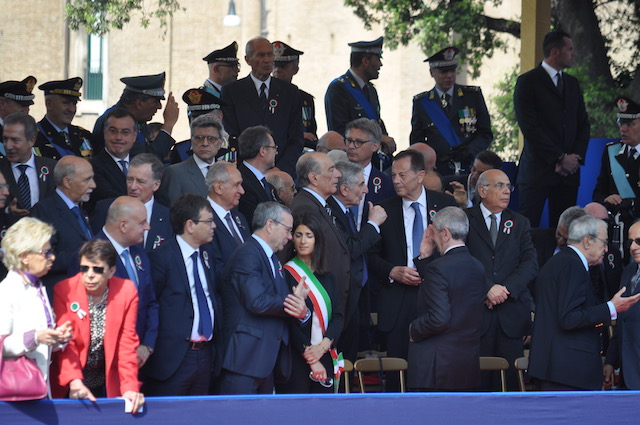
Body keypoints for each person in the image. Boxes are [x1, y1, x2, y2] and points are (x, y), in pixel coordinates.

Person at [369, 150, 457, 384]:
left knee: (435, 373)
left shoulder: (445, 205)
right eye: (393, 175)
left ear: (420, 176)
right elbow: (370, 255)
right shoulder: (384, 209)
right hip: (397, 300)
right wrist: (391, 271)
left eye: (403, 175)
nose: (396, 180)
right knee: (397, 375)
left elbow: (456, 250)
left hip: (436, 297)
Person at [529, 215, 640, 390]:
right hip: (566, 372)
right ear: (587, 241)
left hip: (558, 369)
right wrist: (611, 307)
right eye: (604, 242)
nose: (606, 249)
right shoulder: (572, 265)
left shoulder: (559, 262)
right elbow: (569, 318)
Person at [219, 202, 309, 394]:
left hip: (265, 360)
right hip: (244, 360)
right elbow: (257, 301)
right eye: (288, 230)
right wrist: (293, 303)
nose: (290, 237)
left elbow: (278, 298)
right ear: (270, 225)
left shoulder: (272, 258)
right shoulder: (247, 253)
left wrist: (300, 308)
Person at [465, 169, 538, 391]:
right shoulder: (465, 219)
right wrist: (487, 288)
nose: (507, 191)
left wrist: (504, 290)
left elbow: (530, 264)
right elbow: (460, 259)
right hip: (476, 314)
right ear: (482, 190)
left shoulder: (520, 222)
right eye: (500, 186)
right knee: (476, 382)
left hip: (510, 314)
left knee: (510, 383)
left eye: (508, 186)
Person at [51, 239, 144, 412]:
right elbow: (66, 343)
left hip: (105, 379)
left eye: (97, 269)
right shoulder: (65, 289)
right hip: (69, 380)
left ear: (112, 271)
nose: (89, 275)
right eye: (84, 268)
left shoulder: (126, 290)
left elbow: (127, 344)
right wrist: (74, 381)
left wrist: (129, 387)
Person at [143, 194, 221, 396]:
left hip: (205, 354)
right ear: (190, 225)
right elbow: (149, 304)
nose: (213, 226)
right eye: (208, 221)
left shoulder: (206, 254)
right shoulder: (162, 258)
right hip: (173, 358)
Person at [514, 30, 590, 228]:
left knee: (566, 231)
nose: (573, 54)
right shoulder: (528, 82)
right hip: (537, 171)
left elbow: (583, 124)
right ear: (555, 52)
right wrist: (559, 157)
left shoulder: (572, 84)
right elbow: (529, 127)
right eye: (570, 49)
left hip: (568, 174)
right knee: (527, 229)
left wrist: (574, 158)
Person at [408, 207, 486, 391]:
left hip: (436, 366)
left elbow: (439, 318)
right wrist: (425, 258)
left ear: (445, 234)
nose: (431, 238)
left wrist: (414, 329)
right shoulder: (478, 267)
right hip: (466, 364)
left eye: (433, 232)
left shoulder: (438, 268)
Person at [0, 217, 73, 396]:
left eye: (51, 251)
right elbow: (2, 345)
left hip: (38, 387)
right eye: (45, 252)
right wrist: (35, 337)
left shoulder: (37, 286)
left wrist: (57, 338)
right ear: (25, 256)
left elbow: (41, 341)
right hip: (15, 394)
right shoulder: (7, 290)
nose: (52, 257)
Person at [277, 213, 344, 392]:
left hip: (325, 352)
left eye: (309, 235)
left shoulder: (328, 277)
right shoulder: (285, 274)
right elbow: (288, 321)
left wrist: (323, 346)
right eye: (298, 235)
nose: (303, 241)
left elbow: (338, 316)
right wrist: (310, 357)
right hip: (297, 356)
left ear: (317, 240)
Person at [328, 160, 386, 362]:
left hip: (355, 296)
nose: (366, 190)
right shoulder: (331, 211)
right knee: (341, 360)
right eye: (361, 184)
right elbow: (350, 249)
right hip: (341, 298)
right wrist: (373, 224)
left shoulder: (345, 211)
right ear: (344, 189)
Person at [221, 36, 304, 176]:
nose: (267, 60)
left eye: (270, 55)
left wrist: (280, 169)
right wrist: (252, 170)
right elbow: (232, 135)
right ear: (248, 60)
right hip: (246, 173)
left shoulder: (290, 92)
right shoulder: (232, 92)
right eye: (260, 55)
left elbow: (296, 138)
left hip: (281, 172)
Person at [410, 46, 493, 175]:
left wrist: (469, 150)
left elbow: (485, 133)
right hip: (437, 170)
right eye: (443, 72)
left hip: (470, 167)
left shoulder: (472, 96)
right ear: (431, 72)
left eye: (452, 70)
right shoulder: (422, 102)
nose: (449, 76)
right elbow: (417, 141)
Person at [291, 153, 351, 317]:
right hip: (319, 303)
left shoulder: (317, 204)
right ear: (314, 178)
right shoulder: (305, 208)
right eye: (331, 170)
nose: (338, 174)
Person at [324, 37, 396, 162]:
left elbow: (377, 122)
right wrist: (379, 138)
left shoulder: (370, 90)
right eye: (378, 59)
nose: (380, 64)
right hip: (350, 160)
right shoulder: (339, 88)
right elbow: (339, 130)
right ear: (365, 61)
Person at [31, 156, 96, 292]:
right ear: (67, 182)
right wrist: (86, 256)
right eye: (87, 180)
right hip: (61, 294)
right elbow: (41, 258)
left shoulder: (81, 211)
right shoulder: (44, 210)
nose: (93, 185)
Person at [90, 153, 172, 253]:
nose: (132, 187)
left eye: (140, 182)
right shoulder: (105, 209)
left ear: (156, 185)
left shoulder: (169, 217)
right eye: (130, 179)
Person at [91, 72, 179, 159]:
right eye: (155, 102)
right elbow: (146, 161)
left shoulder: (137, 119)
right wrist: (168, 124)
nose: (159, 107)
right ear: (139, 103)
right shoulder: (115, 121)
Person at [159, 114, 225, 205]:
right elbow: (171, 209)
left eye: (211, 139)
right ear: (192, 140)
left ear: (220, 142)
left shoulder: (227, 172)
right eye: (199, 138)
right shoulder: (175, 173)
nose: (205, 143)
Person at [593, 96, 640, 224]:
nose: (623, 129)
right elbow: (598, 193)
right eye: (621, 123)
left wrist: (631, 203)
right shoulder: (611, 151)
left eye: (630, 124)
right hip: (617, 223)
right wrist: (607, 199)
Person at [605, 220, 640, 389]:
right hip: (628, 371)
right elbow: (622, 320)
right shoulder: (629, 271)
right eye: (630, 242)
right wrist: (611, 361)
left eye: (639, 241)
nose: (633, 247)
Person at [0, 112, 57, 215]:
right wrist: (7, 211)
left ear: (31, 141)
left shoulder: (53, 168)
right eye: (5, 139)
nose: (8, 146)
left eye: (15, 140)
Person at [345, 118, 395, 231]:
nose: (351, 146)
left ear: (375, 146)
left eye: (359, 142)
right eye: (349, 140)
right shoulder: (334, 177)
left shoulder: (386, 184)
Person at [87, 108, 137, 212]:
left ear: (134, 136)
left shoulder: (142, 164)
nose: (118, 137)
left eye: (125, 132)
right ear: (105, 133)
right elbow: (110, 199)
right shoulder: (92, 167)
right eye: (113, 131)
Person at [272, 41, 318, 148]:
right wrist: (299, 134)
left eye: (283, 66)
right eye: (274, 65)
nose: (277, 70)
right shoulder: (264, 96)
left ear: (295, 70)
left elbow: (311, 133)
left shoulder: (305, 99)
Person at [35, 77, 94, 159]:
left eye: (74, 103)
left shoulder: (83, 135)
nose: (72, 109)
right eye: (66, 103)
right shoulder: (34, 136)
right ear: (49, 104)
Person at [205, 162, 250, 268]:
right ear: (218, 188)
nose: (242, 191)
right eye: (236, 185)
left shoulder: (240, 218)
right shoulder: (202, 220)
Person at [237, 125, 280, 227]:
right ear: (263, 151)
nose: (276, 152)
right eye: (274, 148)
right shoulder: (242, 182)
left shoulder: (265, 183)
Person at [0, 76, 37, 141]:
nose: (26, 110)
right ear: (2, 104)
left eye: (28, 106)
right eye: (21, 106)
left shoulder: (30, 131)